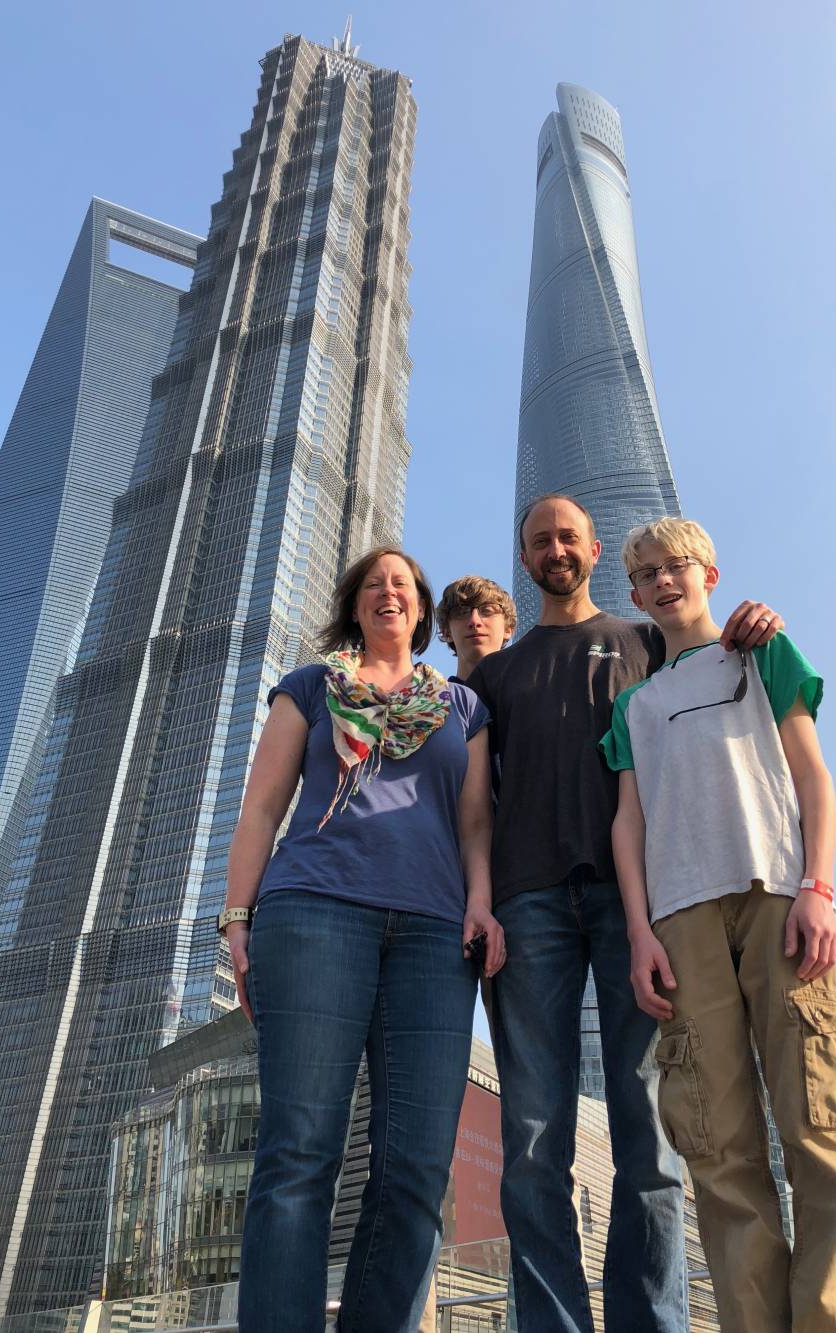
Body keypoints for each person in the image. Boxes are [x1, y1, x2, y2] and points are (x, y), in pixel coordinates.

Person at [466, 494, 784, 1333]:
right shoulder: (495, 674)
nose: (555, 549)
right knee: (533, 1140)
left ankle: (655, 1322)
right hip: (525, 903)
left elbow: (719, 665)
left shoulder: (644, 639)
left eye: (568, 536)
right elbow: (467, 801)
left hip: (637, 903)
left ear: (594, 549)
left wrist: (753, 621)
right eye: (540, 541)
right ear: (526, 559)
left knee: (650, 1134)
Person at [601, 517, 836, 1333]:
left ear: (709, 572)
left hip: (779, 898)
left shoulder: (762, 654)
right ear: (635, 594)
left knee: (820, 1128)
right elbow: (629, 824)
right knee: (719, 1153)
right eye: (646, 573)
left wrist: (819, 887)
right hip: (680, 919)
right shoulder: (634, 704)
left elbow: (813, 776)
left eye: (676, 565)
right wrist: (639, 933)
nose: (662, 581)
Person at [224, 546, 505, 1333]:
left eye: (403, 585)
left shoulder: (460, 707)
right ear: (356, 605)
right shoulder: (311, 687)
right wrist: (236, 919)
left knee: (416, 1165)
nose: (389, 593)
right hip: (313, 912)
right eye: (373, 584)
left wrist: (480, 903)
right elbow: (261, 808)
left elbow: (475, 822)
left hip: (432, 934)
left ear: (420, 610)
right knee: (300, 1155)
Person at [436, 573, 517, 682]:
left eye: (487, 611)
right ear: (447, 632)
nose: (474, 621)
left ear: (507, 629)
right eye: (462, 612)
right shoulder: (433, 698)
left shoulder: (531, 697)